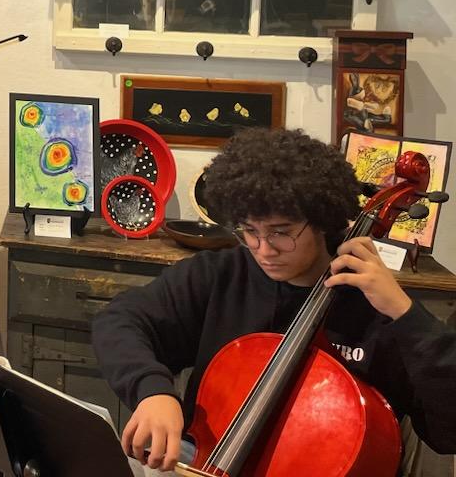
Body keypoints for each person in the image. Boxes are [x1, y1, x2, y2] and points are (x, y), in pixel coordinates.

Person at [93, 127, 456, 473]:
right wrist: (153, 392)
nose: (263, 250)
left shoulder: (374, 305)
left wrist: (404, 313)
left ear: (322, 222)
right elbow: (121, 319)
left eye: (281, 233)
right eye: (250, 231)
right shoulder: (223, 273)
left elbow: (448, 432)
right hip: (207, 459)